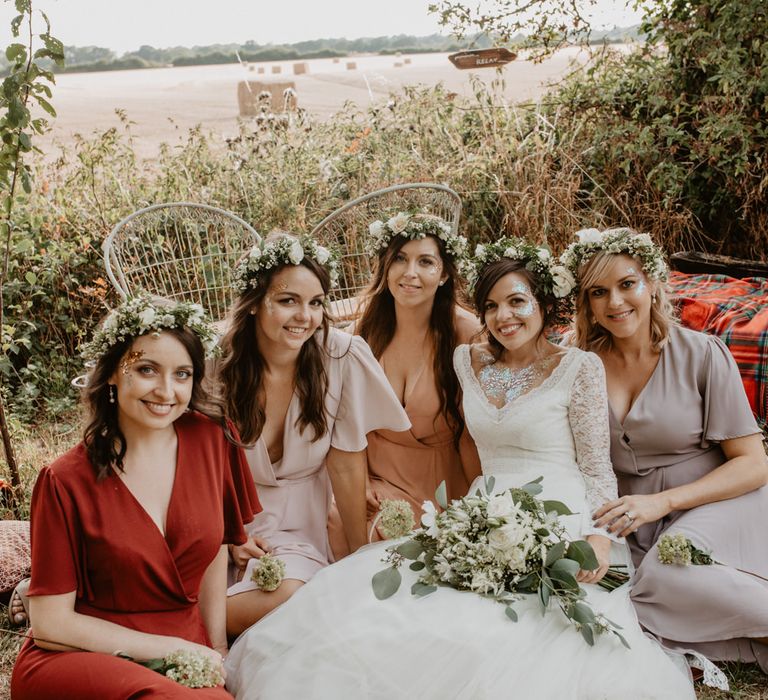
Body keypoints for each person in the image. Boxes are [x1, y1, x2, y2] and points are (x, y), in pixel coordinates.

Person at [223, 237, 694, 699]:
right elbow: (471, 444)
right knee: (405, 605)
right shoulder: (468, 361)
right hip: (483, 506)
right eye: (491, 306)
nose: (504, 317)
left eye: (516, 302)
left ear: (544, 304)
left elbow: (595, 466)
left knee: (515, 627)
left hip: (561, 509)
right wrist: (464, 510)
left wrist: (599, 536)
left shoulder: (579, 366)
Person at [11, 296, 260, 699]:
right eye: (147, 370)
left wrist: (216, 647)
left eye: (182, 374)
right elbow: (52, 625)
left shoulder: (212, 439)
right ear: (111, 372)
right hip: (86, 651)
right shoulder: (64, 480)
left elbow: (214, 548)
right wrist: (173, 649)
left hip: (183, 638)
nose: (166, 391)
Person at [565, 227, 768, 674]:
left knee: (661, 581)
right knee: (616, 599)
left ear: (652, 284)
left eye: (626, 284)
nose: (615, 303)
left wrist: (663, 502)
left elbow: (754, 464)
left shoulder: (702, 354)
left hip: (716, 502)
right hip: (629, 519)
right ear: (587, 304)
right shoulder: (576, 364)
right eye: (599, 292)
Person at [218, 233, 410, 636]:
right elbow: (196, 469)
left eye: (316, 302)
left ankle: (185, 625)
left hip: (299, 522)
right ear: (255, 303)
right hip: (226, 520)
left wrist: (358, 558)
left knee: (289, 591)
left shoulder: (339, 356)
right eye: (288, 300)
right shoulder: (214, 366)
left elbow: (346, 463)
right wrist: (226, 537)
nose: (304, 316)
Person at [329, 212, 481, 558]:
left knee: (415, 552)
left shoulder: (465, 334)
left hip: (444, 482)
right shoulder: (365, 331)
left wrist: (479, 502)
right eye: (399, 258)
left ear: (443, 274)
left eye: (425, 262)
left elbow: (477, 431)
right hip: (376, 478)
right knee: (340, 526)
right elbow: (345, 418)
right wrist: (359, 481)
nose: (409, 273)